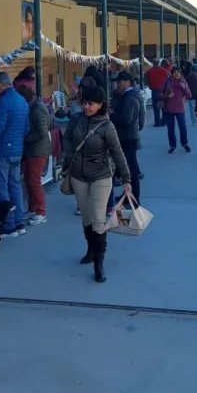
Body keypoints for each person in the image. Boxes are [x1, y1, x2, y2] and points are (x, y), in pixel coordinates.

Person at [63, 86, 132, 284]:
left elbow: (118, 153)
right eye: (84, 103)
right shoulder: (77, 120)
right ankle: (91, 249)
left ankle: (99, 262)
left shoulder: (107, 127)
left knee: (98, 219)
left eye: (91, 104)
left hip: (101, 176)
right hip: (78, 176)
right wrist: (69, 154)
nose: (86, 107)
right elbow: (67, 138)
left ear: (101, 104)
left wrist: (126, 179)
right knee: (86, 218)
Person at [0, 72, 30, 236]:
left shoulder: (2, 102)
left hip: (3, 151)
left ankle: (8, 224)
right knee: (16, 186)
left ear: (1, 84)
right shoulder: (22, 101)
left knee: (2, 188)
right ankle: (19, 222)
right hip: (17, 150)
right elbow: (26, 127)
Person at [18, 84, 50, 225]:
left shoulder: (37, 110)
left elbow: (42, 132)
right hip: (34, 150)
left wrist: (25, 138)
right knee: (29, 180)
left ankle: (40, 212)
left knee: (34, 181)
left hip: (38, 151)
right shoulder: (35, 107)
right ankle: (33, 208)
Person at [110, 71, 142, 202]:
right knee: (128, 168)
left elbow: (125, 119)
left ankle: (133, 198)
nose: (118, 84)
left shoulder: (129, 98)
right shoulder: (127, 96)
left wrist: (112, 115)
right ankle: (128, 195)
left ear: (128, 82)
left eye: (120, 82)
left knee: (130, 169)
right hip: (129, 135)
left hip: (127, 137)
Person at [162, 65, 192, 153]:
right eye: (174, 72)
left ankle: (184, 144)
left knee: (183, 128)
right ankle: (172, 146)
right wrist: (167, 96)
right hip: (168, 109)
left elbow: (189, 95)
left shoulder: (183, 82)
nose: (176, 74)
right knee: (170, 129)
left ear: (181, 74)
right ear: (171, 74)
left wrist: (184, 88)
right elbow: (160, 94)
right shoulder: (167, 82)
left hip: (180, 109)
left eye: (178, 72)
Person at [145, 60, 168, 128]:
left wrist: (150, 86)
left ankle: (158, 122)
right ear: (159, 63)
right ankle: (164, 121)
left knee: (156, 108)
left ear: (153, 63)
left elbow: (146, 80)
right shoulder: (164, 70)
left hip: (154, 90)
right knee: (163, 107)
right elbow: (168, 79)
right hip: (163, 90)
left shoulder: (149, 71)